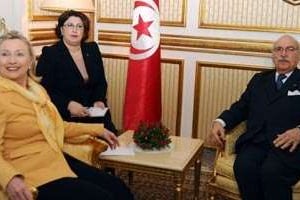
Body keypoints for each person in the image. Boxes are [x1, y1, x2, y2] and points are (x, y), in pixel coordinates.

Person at [0, 30, 134, 200]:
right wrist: (9, 178)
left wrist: (98, 130)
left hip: (54, 159)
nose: (12, 60)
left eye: (19, 54)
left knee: (119, 188)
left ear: (30, 61)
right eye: (5, 54)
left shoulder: (37, 90)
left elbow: (57, 125)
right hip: (28, 171)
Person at [209, 34, 300, 200]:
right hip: (256, 142)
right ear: (273, 55)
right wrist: (220, 121)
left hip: (287, 145)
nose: (283, 53)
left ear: (298, 55)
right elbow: (241, 107)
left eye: (290, 49)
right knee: (244, 167)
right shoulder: (259, 80)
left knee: (271, 172)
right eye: (278, 49)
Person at [36, 10, 118, 135]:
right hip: (67, 116)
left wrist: (99, 100)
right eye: (70, 25)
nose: (75, 30)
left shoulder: (92, 49)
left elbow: (101, 82)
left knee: (112, 147)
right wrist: (68, 105)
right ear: (61, 30)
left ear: (84, 31)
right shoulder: (50, 54)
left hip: (96, 113)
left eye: (79, 26)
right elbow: (43, 90)